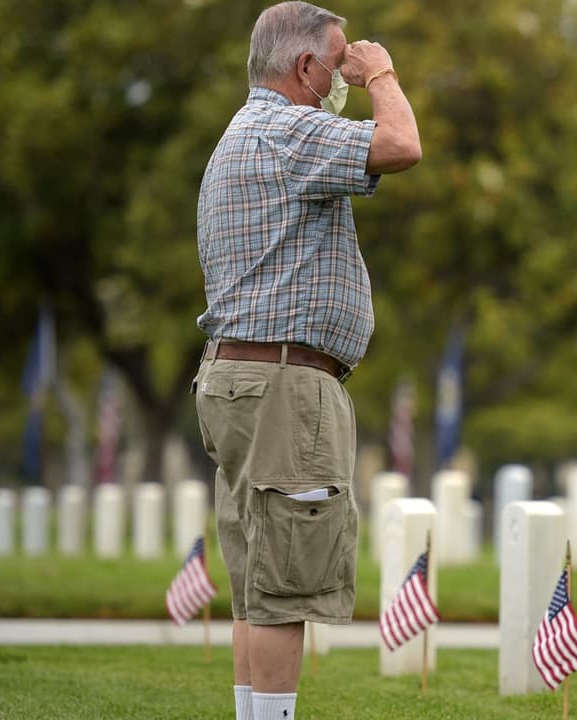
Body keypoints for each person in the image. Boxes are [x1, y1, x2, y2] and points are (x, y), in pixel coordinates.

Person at [192, 3, 420, 718]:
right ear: (305, 68)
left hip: (237, 377)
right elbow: (401, 144)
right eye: (339, 62)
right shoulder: (288, 129)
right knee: (285, 586)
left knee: (257, 582)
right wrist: (380, 72)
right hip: (285, 383)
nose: (345, 73)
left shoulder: (241, 133)